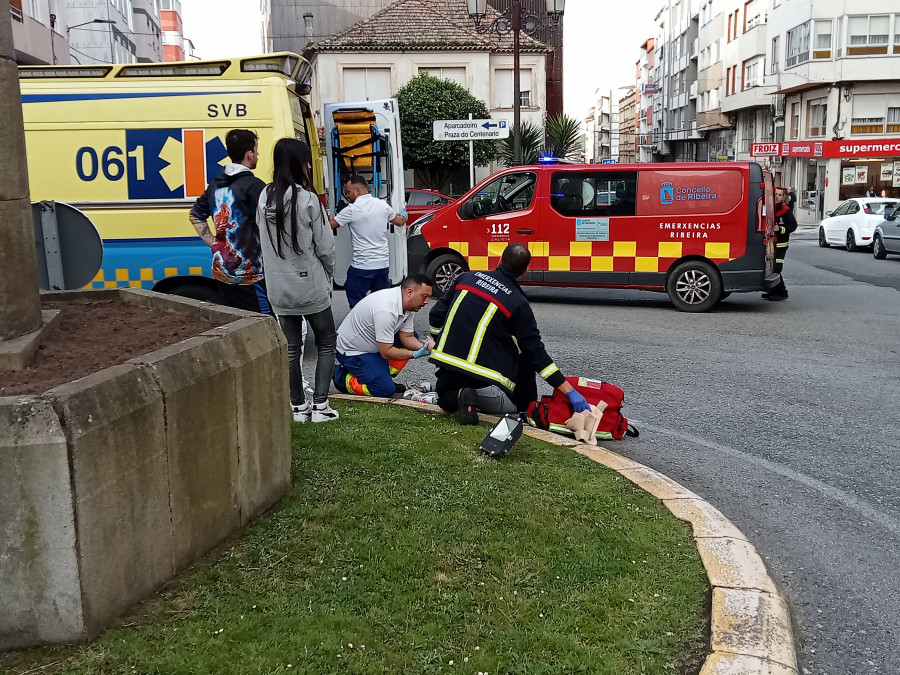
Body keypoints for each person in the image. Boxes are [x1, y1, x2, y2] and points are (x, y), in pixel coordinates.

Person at [427, 243, 590, 425]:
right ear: (525, 271)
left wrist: (439, 341)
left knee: (444, 398)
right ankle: (521, 405)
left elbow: (435, 314)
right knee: (524, 350)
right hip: (485, 381)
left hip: (448, 373)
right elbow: (537, 354)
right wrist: (570, 391)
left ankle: (458, 396)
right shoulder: (518, 303)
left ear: (499, 260)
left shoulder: (466, 278)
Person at [257, 138, 339, 423]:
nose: (308, 166)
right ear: (299, 164)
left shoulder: (264, 196)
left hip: (278, 287)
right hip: (310, 284)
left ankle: (298, 408)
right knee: (327, 341)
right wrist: (329, 274)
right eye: (306, 161)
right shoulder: (308, 199)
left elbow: (261, 240)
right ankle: (320, 406)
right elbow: (326, 247)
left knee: (291, 348)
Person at [190, 129, 268, 312]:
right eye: (256, 150)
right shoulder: (255, 186)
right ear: (249, 154)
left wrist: (217, 245)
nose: (257, 154)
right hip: (251, 275)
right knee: (264, 325)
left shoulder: (216, 183)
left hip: (222, 272)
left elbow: (195, 215)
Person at [333, 274, 435, 398]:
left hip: (373, 346)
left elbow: (407, 337)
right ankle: (340, 376)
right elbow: (386, 352)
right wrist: (415, 354)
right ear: (410, 292)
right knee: (383, 390)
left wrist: (425, 347)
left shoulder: (407, 305)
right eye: (424, 297)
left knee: (414, 335)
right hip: (353, 352)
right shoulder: (386, 309)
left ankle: (382, 375)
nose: (427, 302)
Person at [328, 174, 406, 307]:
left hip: (362, 267)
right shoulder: (382, 205)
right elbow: (400, 221)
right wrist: (403, 214)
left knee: (356, 302)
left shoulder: (351, 210)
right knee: (381, 304)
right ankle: (379, 324)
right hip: (382, 266)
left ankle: (360, 323)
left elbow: (329, 225)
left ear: (357, 191)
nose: (347, 195)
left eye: (348, 192)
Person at [763, 186, 797, 302]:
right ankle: (772, 291)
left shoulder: (785, 210)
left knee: (777, 268)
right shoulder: (767, 208)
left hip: (781, 246)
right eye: (775, 194)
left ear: (783, 197)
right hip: (769, 245)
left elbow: (793, 226)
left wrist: (781, 229)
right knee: (769, 269)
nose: (777, 196)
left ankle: (782, 292)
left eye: (779, 195)